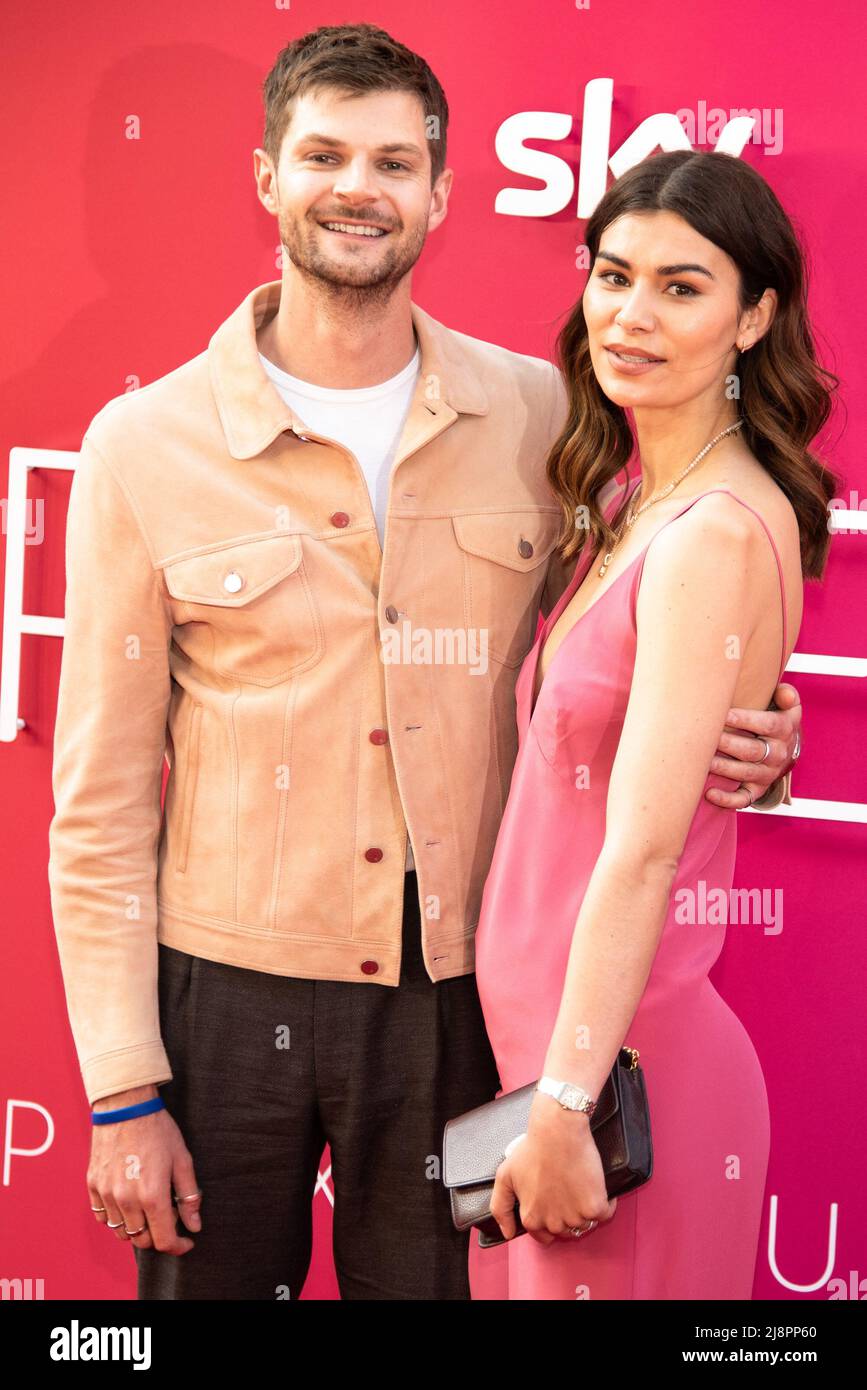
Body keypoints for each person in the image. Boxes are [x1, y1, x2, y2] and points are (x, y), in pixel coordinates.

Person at [47, 27, 801, 1302]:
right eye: (325, 154)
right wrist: (123, 1086)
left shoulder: (547, 418)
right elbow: (104, 797)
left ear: (442, 196)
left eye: (395, 160)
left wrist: (758, 732)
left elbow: (636, 651)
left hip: (460, 1008)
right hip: (227, 999)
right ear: (266, 178)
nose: (360, 186)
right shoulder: (143, 443)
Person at [468, 148, 838, 1301]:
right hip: (551, 1068)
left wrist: (569, 1106)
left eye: (683, 287)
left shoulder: (713, 533)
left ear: (754, 316)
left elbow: (642, 849)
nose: (631, 315)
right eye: (614, 275)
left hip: (620, 1081)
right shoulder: (634, 498)